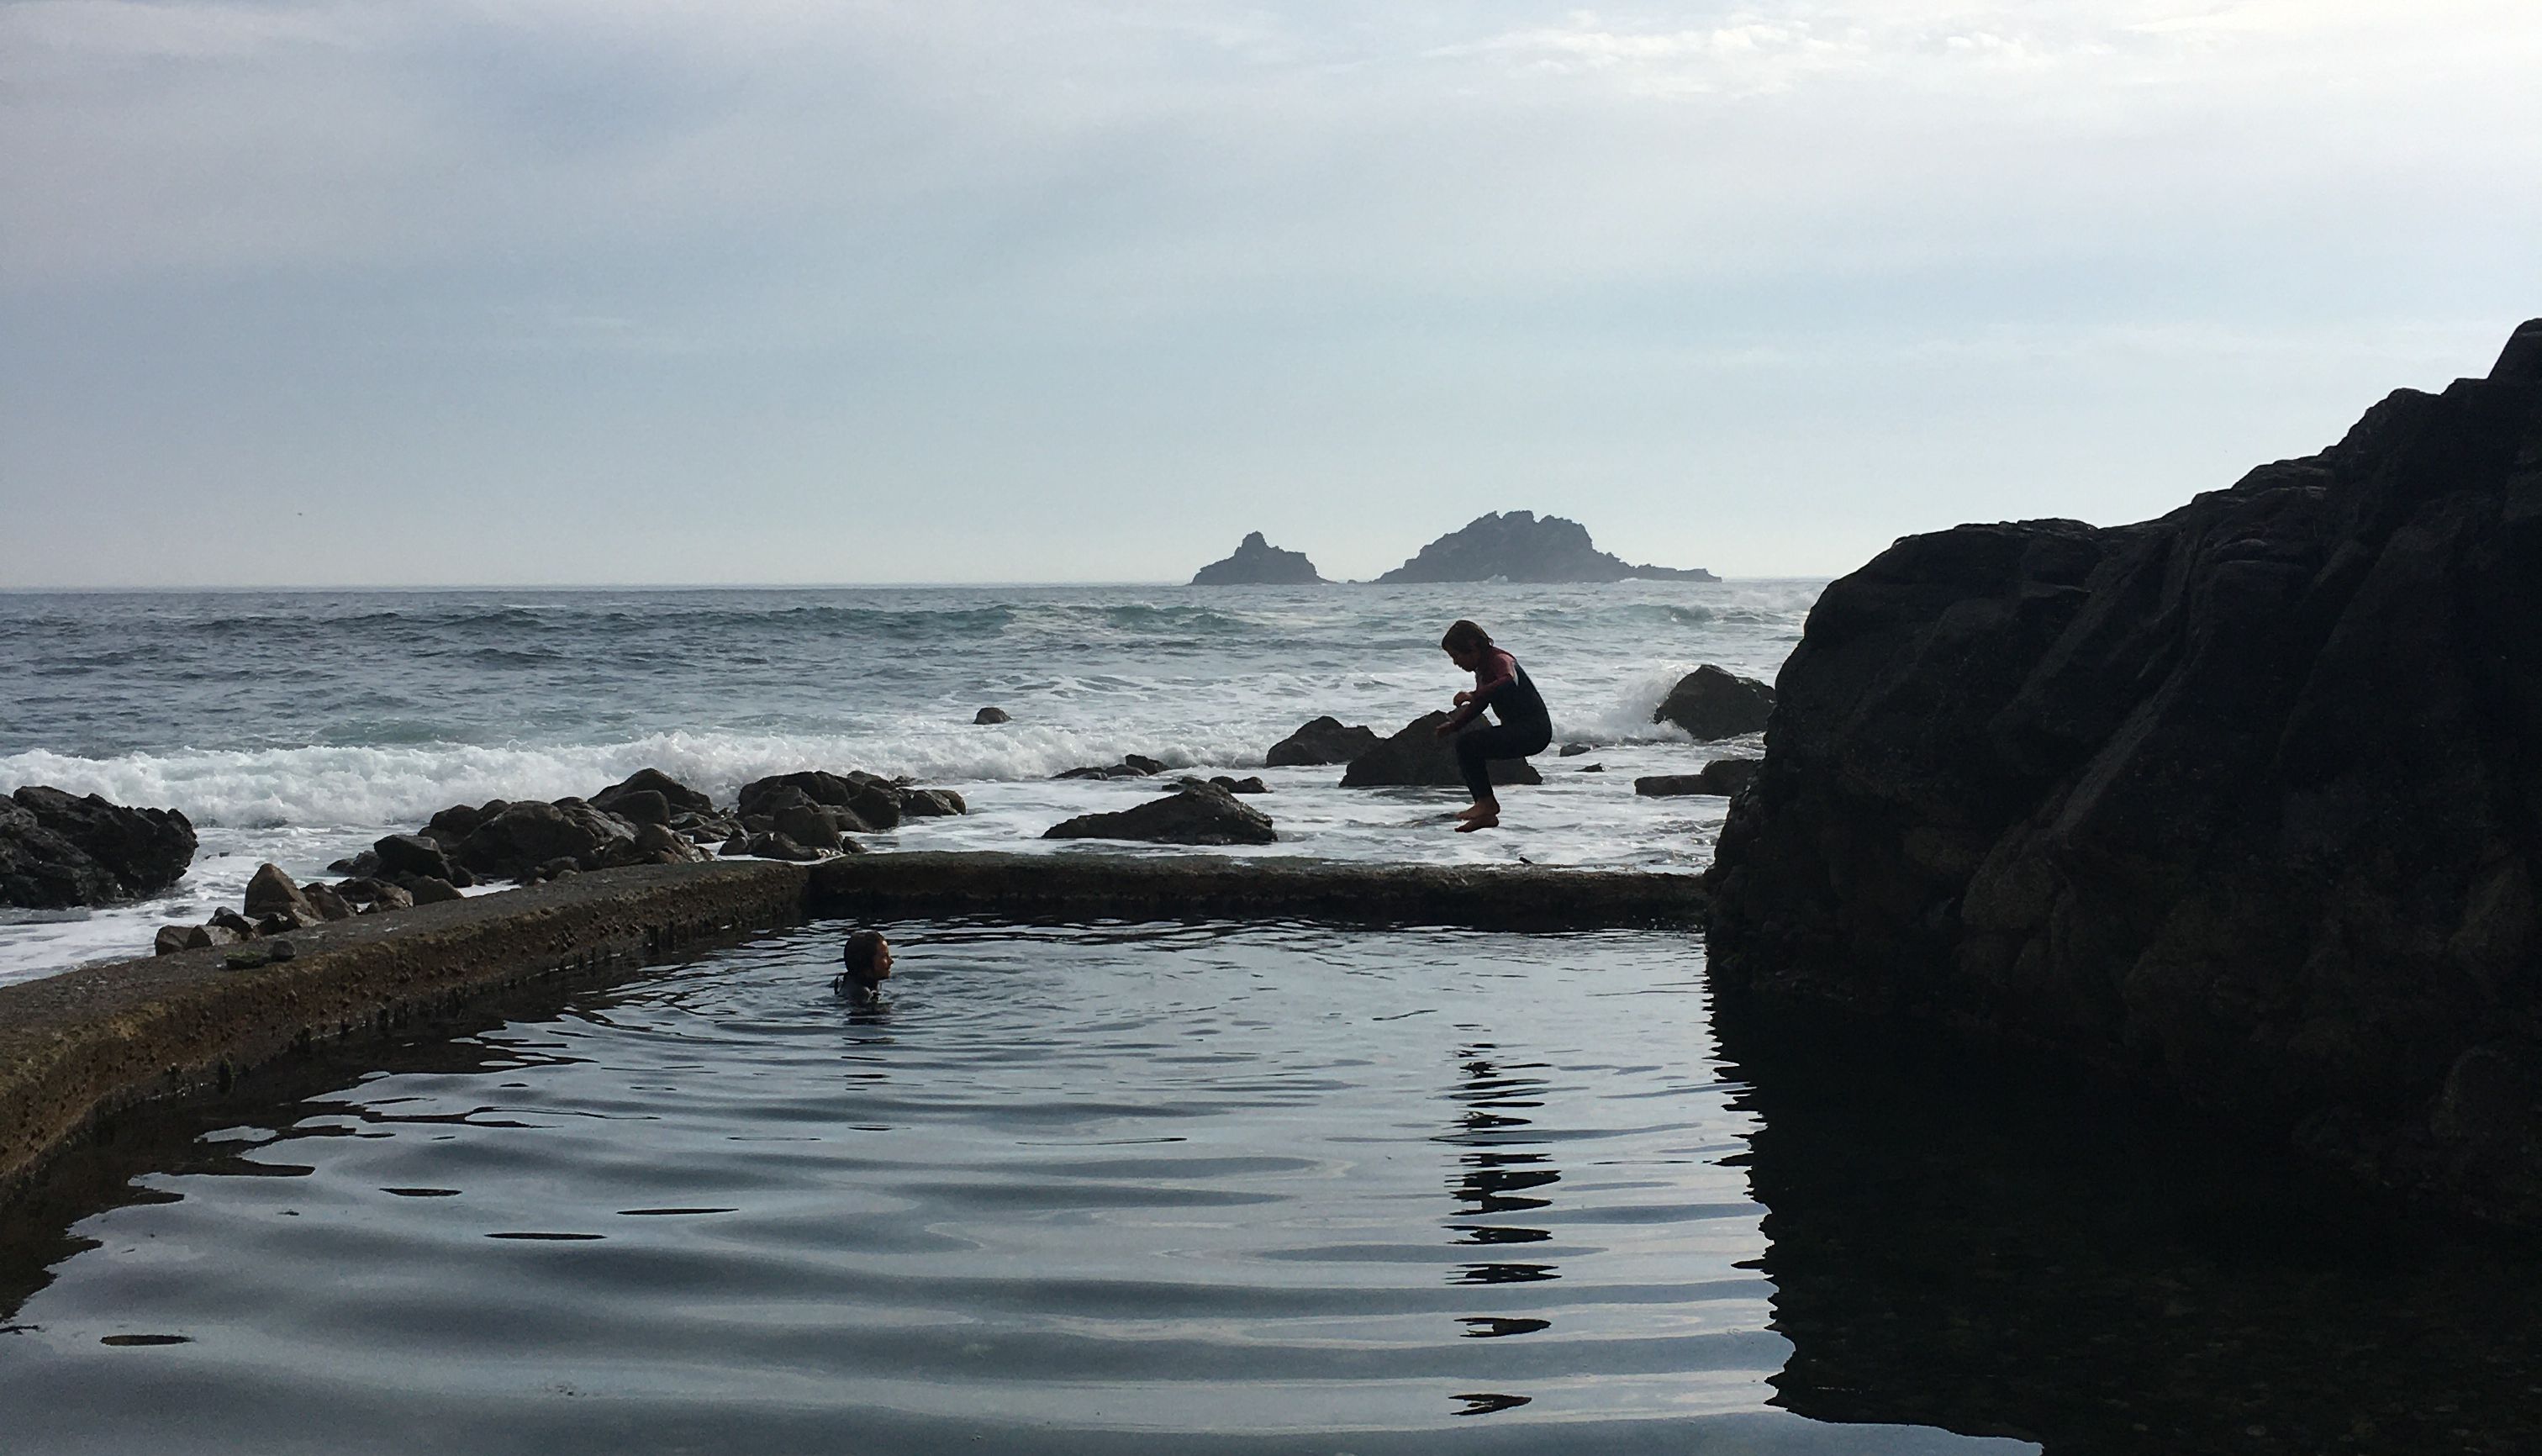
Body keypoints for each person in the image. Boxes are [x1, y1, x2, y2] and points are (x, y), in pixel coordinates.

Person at [1432, 620, 1551, 833]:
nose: (1455, 663)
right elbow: (1481, 703)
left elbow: (1508, 680)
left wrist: (1473, 694)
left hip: (1534, 731)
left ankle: (1487, 804)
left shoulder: (1500, 659)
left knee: (1469, 745)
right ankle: (1485, 812)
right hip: (1523, 731)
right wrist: (1455, 725)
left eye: (1456, 656)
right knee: (1466, 746)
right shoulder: (1483, 670)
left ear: (1473, 645)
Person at [834, 928, 894, 1000]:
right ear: (866, 962)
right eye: (884, 956)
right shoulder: (862, 995)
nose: (891, 961)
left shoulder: (845, 981)